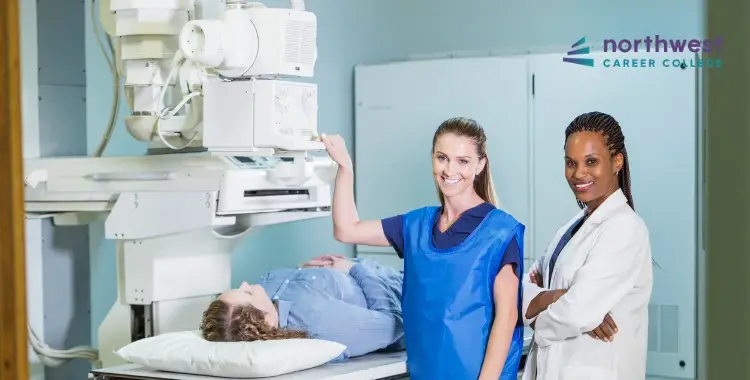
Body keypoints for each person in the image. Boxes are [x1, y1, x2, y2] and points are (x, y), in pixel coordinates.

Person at [321, 117, 525, 380]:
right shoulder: (416, 224)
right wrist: (345, 167)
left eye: (463, 161)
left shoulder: (500, 230)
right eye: (442, 158)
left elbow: (507, 317)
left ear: (480, 165)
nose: (450, 170)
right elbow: (346, 229)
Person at [521, 111, 653, 380]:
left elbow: (575, 312)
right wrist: (559, 296)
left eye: (591, 161)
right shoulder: (571, 227)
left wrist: (535, 315)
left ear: (617, 162)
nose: (579, 173)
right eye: (571, 163)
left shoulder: (625, 228)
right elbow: (521, 287)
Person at [200, 256, 405, 361]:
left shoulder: (266, 303)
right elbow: (393, 324)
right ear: (266, 321)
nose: (245, 284)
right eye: (246, 293)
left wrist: (303, 273)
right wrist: (353, 268)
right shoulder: (319, 323)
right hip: (416, 285)